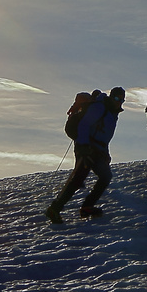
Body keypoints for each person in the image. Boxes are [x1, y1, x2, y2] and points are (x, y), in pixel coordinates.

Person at [47, 86, 125, 222]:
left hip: (98, 150)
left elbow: (104, 137)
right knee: (79, 179)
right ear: (111, 97)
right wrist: (83, 146)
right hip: (88, 147)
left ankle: (86, 207)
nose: (119, 102)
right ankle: (54, 209)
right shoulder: (100, 107)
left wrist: (106, 153)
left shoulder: (113, 113)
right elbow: (84, 125)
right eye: (117, 98)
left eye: (122, 99)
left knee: (105, 176)